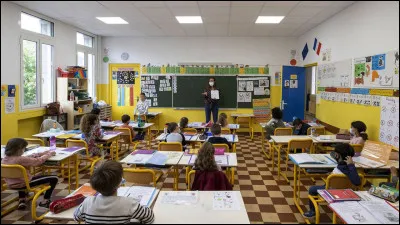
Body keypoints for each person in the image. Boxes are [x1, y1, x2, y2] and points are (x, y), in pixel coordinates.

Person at [74, 161, 154, 224]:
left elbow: (76, 217)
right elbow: (149, 217)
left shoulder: (88, 202)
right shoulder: (129, 203)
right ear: (119, 184)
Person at [303, 143, 361, 218]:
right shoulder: (349, 167)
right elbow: (357, 181)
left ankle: (312, 211)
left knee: (312, 189)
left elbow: (357, 182)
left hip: (331, 191)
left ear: (337, 155)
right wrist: (351, 165)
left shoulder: (343, 167)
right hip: (346, 191)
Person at [1, 138, 58, 209]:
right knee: (54, 178)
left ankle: (22, 199)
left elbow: (25, 158)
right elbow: (38, 161)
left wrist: (40, 154)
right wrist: (49, 154)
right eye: (24, 148)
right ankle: (46, 200)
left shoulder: (4, 159)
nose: (24, 150)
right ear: (19, 149)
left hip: (10, 184)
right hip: (24, 184)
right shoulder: (21, 159)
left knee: (19, 176)